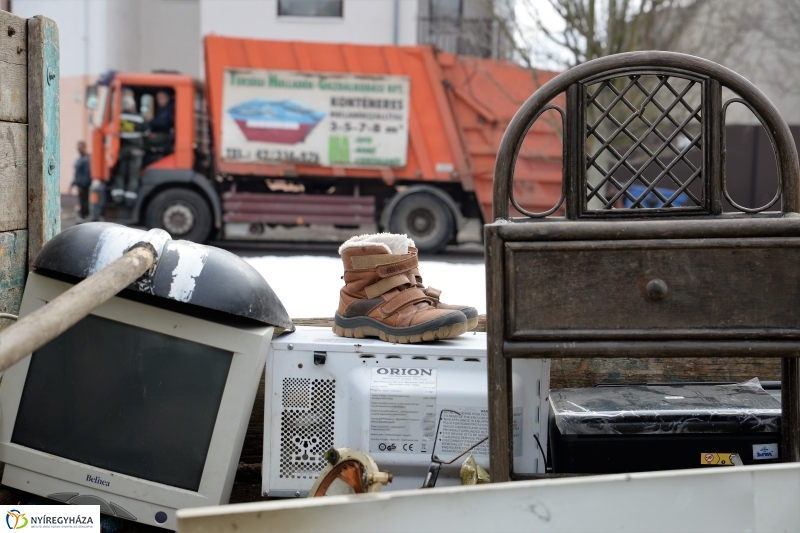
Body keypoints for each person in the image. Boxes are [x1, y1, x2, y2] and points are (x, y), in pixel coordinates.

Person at [110, 89, 147, 206]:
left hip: (122, 150)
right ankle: (130, 199)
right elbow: (147, 133)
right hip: (136, 152)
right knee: (133, 176)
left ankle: (118, 197)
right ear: (132, 106)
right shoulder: (139, 118)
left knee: (120, 174)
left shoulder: (118, 117)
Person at [70, 141, 91, 221]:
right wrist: (72, 184)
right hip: (80, 185)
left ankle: (85, 217)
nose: (79, 149)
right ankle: (83, 216)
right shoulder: (79, 159)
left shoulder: (87, 159)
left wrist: (84, 185)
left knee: (85, 202)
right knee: (82, 202)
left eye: (80, 148)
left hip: (84, 186)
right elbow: (77, 173)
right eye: (78, 148)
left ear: (85, 148)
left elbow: (87, 173)